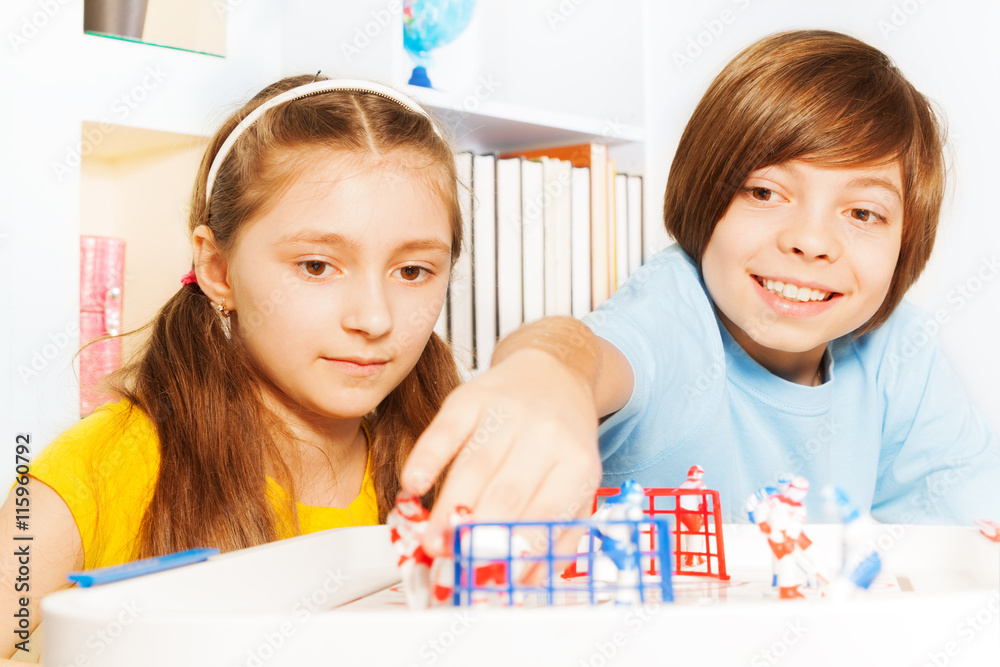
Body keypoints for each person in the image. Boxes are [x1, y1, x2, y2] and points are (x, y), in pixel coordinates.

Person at [0, 75, 601, 662]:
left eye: (413, 271)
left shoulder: (470, 475)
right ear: (216, 268)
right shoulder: (83, 478)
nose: (374, 317)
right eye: (317, 266)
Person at [404, 29, 1000, 544]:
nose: (812, 242)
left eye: (863, 213)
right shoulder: (674, 305)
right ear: (704, 196)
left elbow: (961, 540)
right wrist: (546, 375)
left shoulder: (900, 351)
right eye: (764, 193)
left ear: (906, 243)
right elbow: (588, 351)